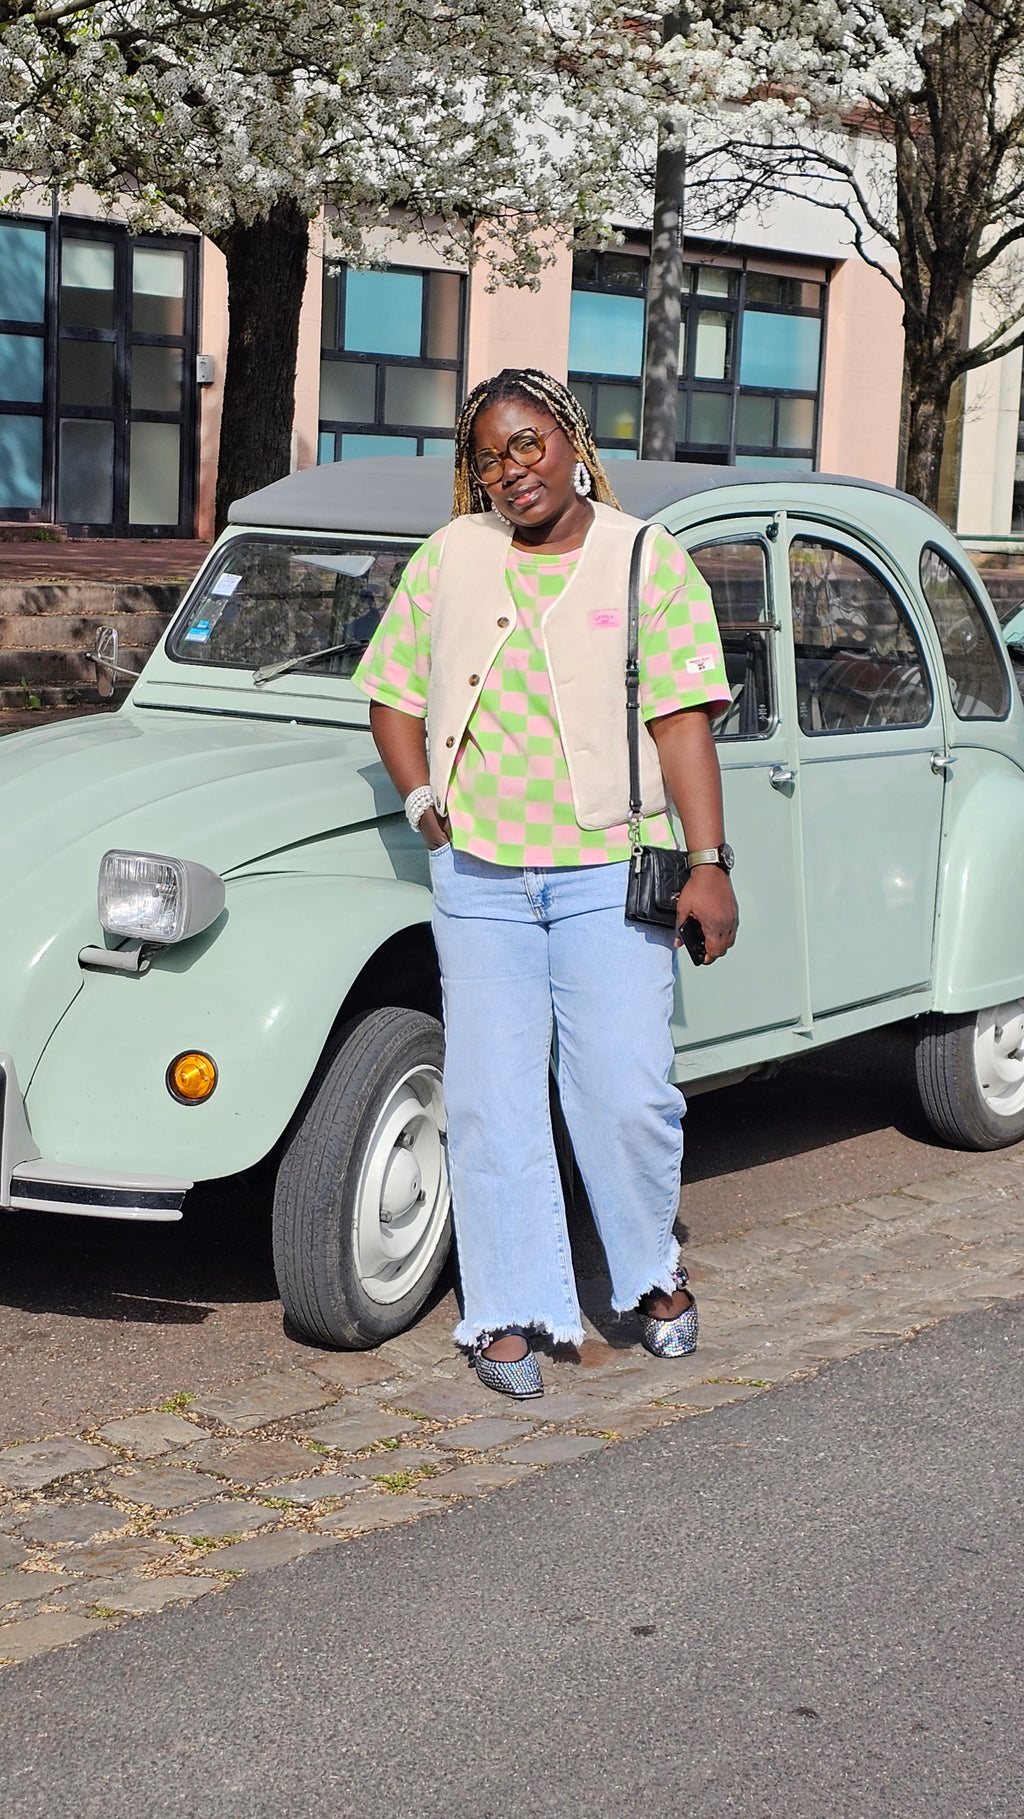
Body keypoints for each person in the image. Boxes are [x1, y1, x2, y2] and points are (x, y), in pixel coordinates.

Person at [353, 368, 738, 1397]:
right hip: (479, 877)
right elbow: (391, 694)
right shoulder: (450, 557)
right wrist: (422, 804)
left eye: (527, 443)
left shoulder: (644, 558)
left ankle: (650, 1271)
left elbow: (682, 721)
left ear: (570, 441)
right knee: (492, 1100)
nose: (511, 470)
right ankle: (508, 1306)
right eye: (488, 457)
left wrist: (708, 862)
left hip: (607, 871)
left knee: (625, 1089)